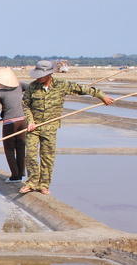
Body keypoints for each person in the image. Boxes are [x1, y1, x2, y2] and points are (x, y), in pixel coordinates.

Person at [20, 60, 114, 195]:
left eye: (41, 75)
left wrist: (101, 96)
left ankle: (44, 185)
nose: (38, 77)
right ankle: (32, 182)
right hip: (34, 127)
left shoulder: (61, 85)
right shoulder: (32, 87)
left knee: (47, 157)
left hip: (50, 127)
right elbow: (25, 104)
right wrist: (30, 120)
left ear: (49, 74)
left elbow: (82, 89)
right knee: (31, 155)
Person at [0, 67, 29, 183]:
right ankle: (20, 174)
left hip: (9, 123)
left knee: (9, 148)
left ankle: (15, 175)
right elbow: (32, 90)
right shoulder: (20, 85)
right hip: (23, 121)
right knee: (20, 147)